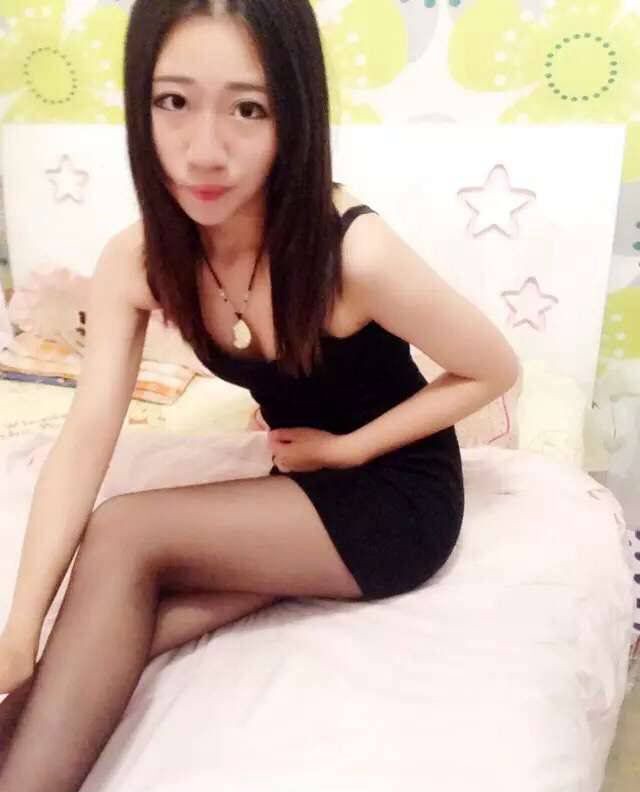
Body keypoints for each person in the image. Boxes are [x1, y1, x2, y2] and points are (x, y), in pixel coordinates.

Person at [0, 0, 519, 788]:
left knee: (124, 533)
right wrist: (18, 631)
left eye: (248, 109)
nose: (204, 151)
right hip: (294, 489)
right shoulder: (139, 261)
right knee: (112, 626)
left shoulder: (353, 253)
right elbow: (85, 436)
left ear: (294, 118)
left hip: (397, 497)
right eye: (173, 101)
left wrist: (349, 449)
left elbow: (493, 368)